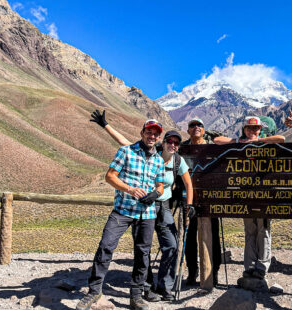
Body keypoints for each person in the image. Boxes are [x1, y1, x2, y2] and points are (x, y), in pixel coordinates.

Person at [89, 111, 194, 302]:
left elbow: (184, 184)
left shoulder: (174, 161)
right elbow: (123, 145)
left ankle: (160, 288)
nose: (172, 144)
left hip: (160, 207)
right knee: (129, 248)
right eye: (169, 141)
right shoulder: (139, 152)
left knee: (165, 247)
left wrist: (186, 204)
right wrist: (105, 125)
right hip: (132, 207)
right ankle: (139, 288)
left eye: (176, 142)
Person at [76, 119, 165, 310]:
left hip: (147, 213)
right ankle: (94, 291)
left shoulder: (158, 160)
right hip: (123, 209)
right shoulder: (126, 151)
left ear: (159, 137)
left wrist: (155, 194)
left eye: (156, 134)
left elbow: (160, 186)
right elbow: (110, 176)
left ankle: (136, 296)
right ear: (142, 133)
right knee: (106, 246)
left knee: (143, 254)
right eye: (149, 132)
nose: (152, 136)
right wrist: (130, 189)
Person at [215, 116, 285, 280]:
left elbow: (281, 139)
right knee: (250, 230)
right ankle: (249, 266)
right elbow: (217, 140)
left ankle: (262, 266)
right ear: (244, 129)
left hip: (265, 193)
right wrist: (238, 142)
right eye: (249, 128)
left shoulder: (267, 142)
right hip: (246, 194)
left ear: (261, 130)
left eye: (256, 128)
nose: (252, 131)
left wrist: (259, 140)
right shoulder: (240, 141)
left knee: (264, 229)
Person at [181, 118, 222, 287]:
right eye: (192, 125)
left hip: (210, 199)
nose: (196, 127)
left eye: (200, 125)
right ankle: (192, 271)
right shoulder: (182, 148)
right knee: (189, 237)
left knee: (213, 237)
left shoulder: (213, 147)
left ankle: (214, 272)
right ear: (188, 130)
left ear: (204, 130)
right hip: (189, 199)